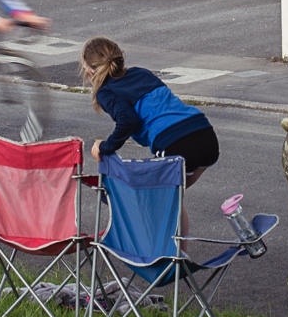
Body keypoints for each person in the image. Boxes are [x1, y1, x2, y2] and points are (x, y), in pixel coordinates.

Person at [81, 37, 218, 243]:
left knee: (162, 199)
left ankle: (167, 261)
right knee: (170, 198)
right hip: (204, 133)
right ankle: (177, 260)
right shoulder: (140, 72)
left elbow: (128, 120)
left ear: (89, 71)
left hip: (176, 142)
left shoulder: (106, 92)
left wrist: (105, 147)